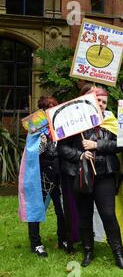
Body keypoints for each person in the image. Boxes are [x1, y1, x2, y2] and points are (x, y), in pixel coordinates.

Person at [58, 86, 123, 269]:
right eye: (98, 100)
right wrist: (80, 155)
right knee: (84, 216)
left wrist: (96, 144)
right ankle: (88, 252)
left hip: (104, 174)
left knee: (108, 214)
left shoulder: (111, 122)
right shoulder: (73, 122)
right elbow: (62, 148)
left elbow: (120, 144)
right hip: (81, 175)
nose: (102, 104)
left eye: (105, 102)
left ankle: (118, 254)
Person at [19, 96, 67, 257]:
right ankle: (36, 243)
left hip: (58, 175)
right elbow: (33, 153)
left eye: (53, 107)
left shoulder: (61, 125)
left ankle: (63, 239)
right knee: (36, 209)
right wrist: (43, 140)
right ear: (42, 111)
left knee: (62, 210)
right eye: (47, 108)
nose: (50, 111)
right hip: (42, 175)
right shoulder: (35, 129)